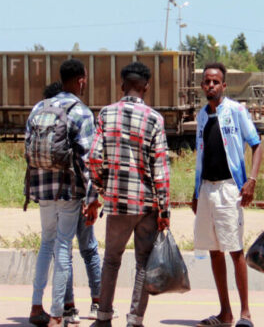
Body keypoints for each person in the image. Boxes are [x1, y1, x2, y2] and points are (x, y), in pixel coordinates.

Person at [87, 61, 170, 327]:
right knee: (143, 264)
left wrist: (103, 189)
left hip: (117, 204)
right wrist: (164, 208)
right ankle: (135, 320)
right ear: (146, 86)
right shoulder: (155, 119)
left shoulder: (106, 114)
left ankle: (103, 318)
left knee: (111, 261)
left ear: (122, 85)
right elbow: (161, 169)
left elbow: (94, 158)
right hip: (146, 205)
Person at [26, 59, 100, 327]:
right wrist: (93, 198)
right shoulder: (81, 111)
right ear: (81, 79)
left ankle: (36, 306)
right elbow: (90, 160)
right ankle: (57, 313)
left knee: (46, 243)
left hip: (41, 187)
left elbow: (28, 147)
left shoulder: (38, 107)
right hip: (69, 190)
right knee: (64, 247)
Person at [192, 62, 262, 327]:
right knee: (214, 250)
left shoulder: (236, 111)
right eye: (207, 81)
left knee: (234, 249)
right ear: (202, 86)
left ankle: (245, 313)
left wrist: (251, 180)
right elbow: (201, 156)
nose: (211, 85)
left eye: (215, 81)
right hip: (207, 189)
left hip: (228, 189)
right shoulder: (201, 116)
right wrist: (195, 191)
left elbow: (257, 145)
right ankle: (225, 313)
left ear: (224, 85)